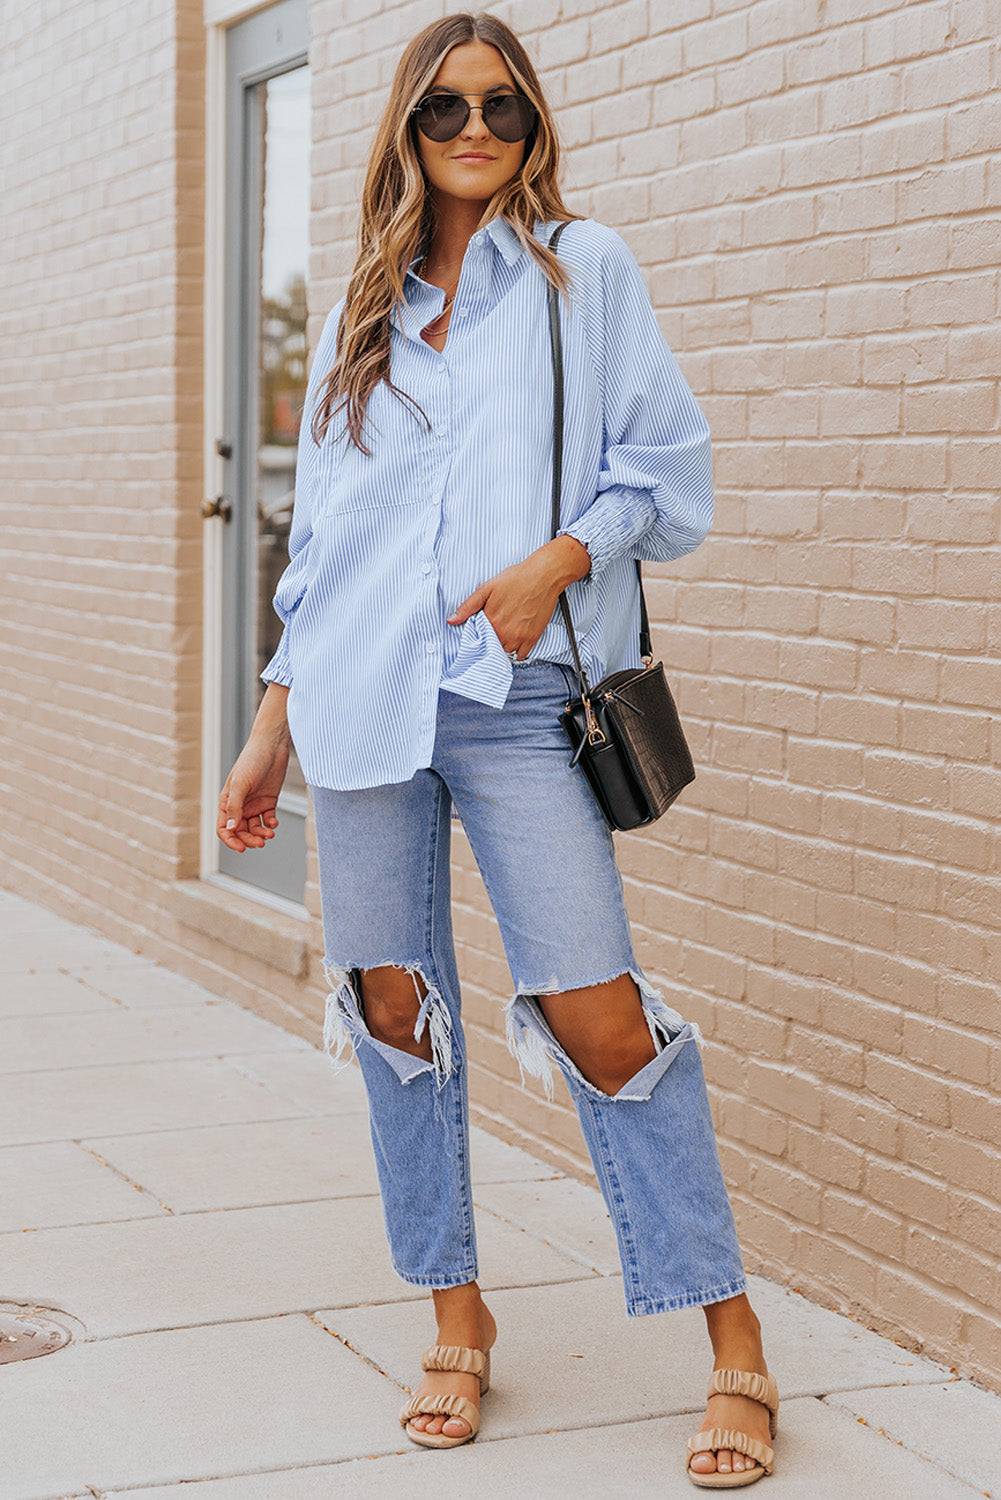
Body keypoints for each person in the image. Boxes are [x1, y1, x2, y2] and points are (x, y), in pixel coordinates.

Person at [218, 11, 778, 1488]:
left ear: (534, 127)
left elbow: (666, 469)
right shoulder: (365, 308)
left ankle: (732, 1346)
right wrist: (266, 729)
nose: (476, 130)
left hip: (520, 705)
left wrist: (555, 562)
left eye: (504, 109)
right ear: (405, 127)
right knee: (394, 1012)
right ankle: (454, 1319)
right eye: (447, 108)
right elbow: (323, 546)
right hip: (354, 706)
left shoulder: (579, 271)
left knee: (598, 1016)